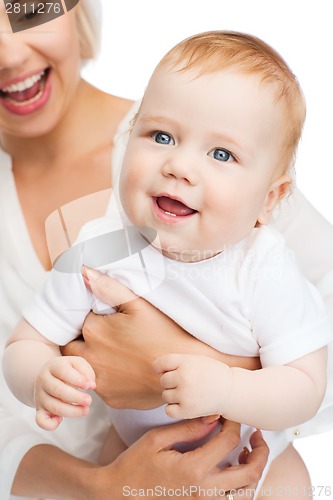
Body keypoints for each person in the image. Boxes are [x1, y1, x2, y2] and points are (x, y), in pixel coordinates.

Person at [3, 30, 333, 497]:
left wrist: (227, 389)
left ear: (271, 198)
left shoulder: (263, 265)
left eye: (222, 153)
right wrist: (39, 375)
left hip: (253, 466)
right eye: (161, 135)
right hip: (129, 459)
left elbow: (305, 385)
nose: (179, 165)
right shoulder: (99, 248)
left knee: (288, 485)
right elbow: (24, 342)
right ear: (129, 136)